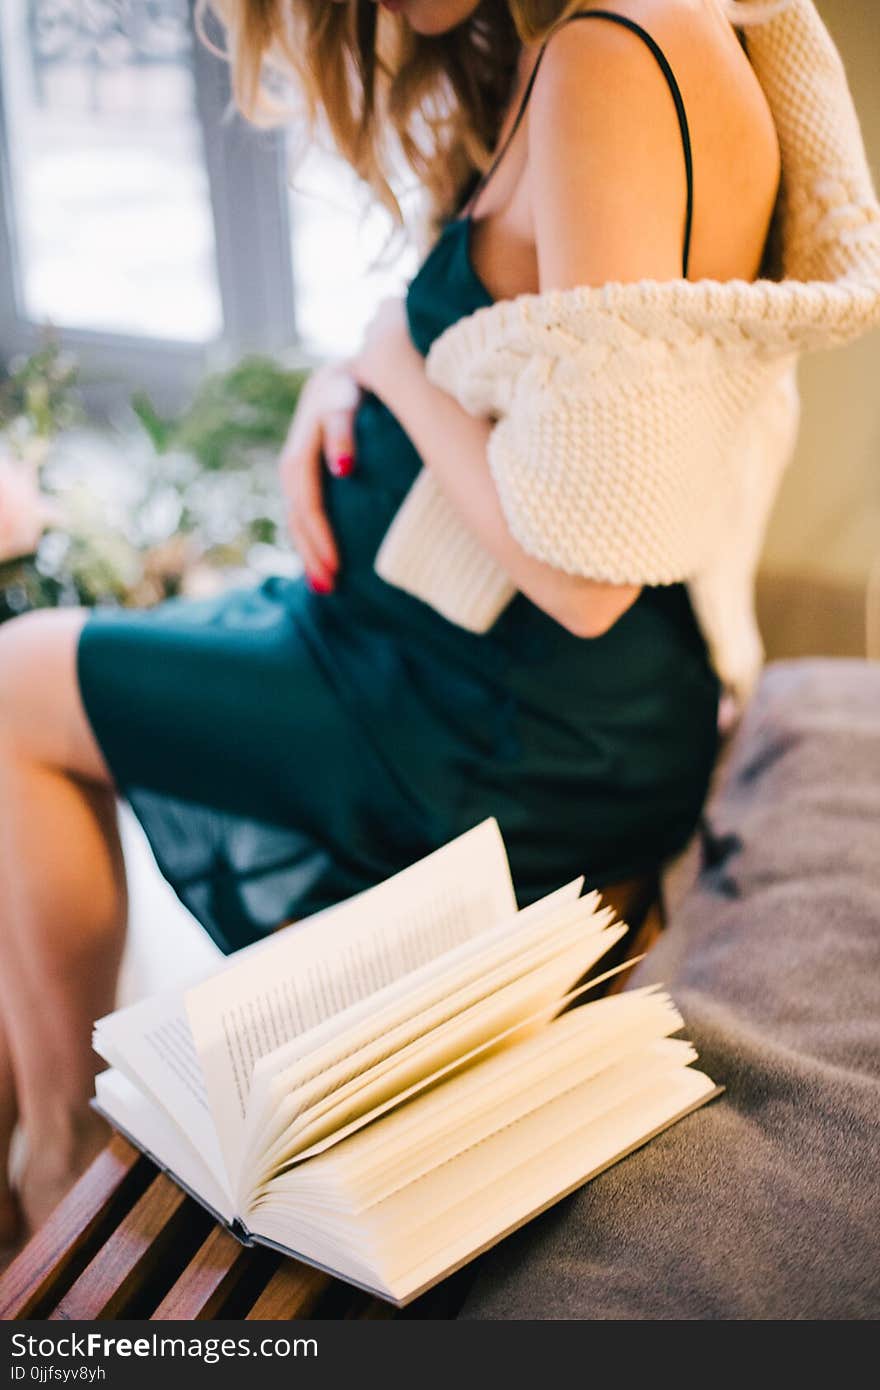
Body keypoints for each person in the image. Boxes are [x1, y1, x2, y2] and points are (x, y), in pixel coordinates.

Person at [0, 0, 786, 1247]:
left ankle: (52, 1159)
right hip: (438, 655)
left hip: (503, 714)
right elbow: (533, 375)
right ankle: (57, 1128)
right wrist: (350, 376)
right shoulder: (584, 41)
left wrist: (394, 366)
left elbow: (590, 577)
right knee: (52, 674)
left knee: (17, 684)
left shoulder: (611, 60)